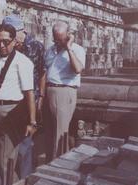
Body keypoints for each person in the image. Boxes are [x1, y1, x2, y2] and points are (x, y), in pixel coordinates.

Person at [0, 24, 37, 185]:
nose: (1, 45)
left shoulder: (22, 62)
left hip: (11, 112)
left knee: (6, 157)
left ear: (14, 41)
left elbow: (29, 93)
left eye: (5, 41)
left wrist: (32, 121)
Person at [2, 14, 45, 179]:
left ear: (21, 30)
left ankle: (25, 177)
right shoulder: (7, 46)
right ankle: (9, 177)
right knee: (9, 141)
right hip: (11, 99)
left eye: (12, 33)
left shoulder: (36, 47)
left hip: (29, 100)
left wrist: (41, 97)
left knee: (26, 142)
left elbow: (42, 73)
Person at [40, 21, 86, 160]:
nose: (58, 42)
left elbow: (77, 69)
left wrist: (68, 48)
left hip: (65, 91)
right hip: (49, 91)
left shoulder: (77, 49)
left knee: (61, 132)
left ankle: (59, 163)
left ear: (68, 35)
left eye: (61, 39)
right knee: (48, 132)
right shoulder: (50, 50)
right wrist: (41, 96)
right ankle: (50, 161)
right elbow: (45, 73)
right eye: (55, 38)